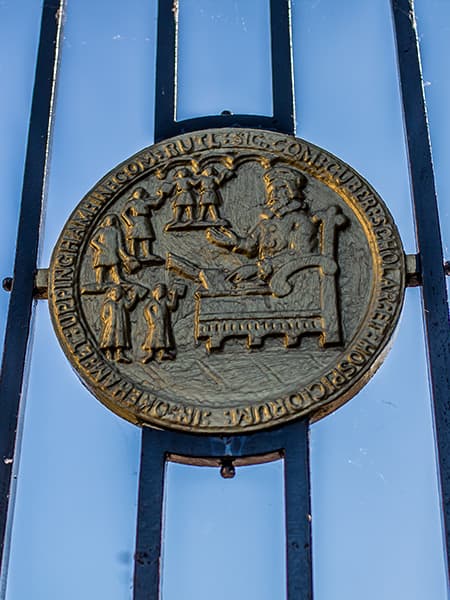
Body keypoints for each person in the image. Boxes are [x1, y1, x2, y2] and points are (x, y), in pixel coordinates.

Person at [121, 187, 163, 262]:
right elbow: (123, 213)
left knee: (147, 237)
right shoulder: (131, 202)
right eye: (139, 192)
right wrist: (129, 221)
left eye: (141, 192)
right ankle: (133, 254)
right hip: (135, 220)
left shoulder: (145, 201)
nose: (140, 194)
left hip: (144, 220)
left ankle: (147, 254)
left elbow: (156, 203)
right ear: (135, 193)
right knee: (133, 238)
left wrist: (162, 195)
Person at [141, 283, 179, 362]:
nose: (161, 292)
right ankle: (150, 353)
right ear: (154, 292)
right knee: (152, 338)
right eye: (160, 290)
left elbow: (172, 306)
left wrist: (174, 295)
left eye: (163, 291)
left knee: (164, 336)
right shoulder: (152, 302)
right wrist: (152, 319)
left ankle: (163, 352)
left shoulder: (164, 301)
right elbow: (147, 310)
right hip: (154, 324)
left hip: (163, 323)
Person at [99, 285, 136, 363]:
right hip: (111, 324)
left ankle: (120, 353)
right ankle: (108, 353)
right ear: (111, 293)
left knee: (120, 337)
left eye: (119, 292)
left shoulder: (122, 301)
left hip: (121, 323)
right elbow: (104, 314)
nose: (117, 294)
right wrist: (108, 321)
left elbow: (129, 305)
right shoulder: (108, 303)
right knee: (110, 337)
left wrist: (134, 297)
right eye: (115, 292)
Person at [90, 214, 127, 285]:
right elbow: (93, 241)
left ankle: (118, 280)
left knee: (115, 266)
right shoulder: (101, 230)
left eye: (113, 220)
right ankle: (100, 282)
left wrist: (125, 256)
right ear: (106, 221)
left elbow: (120, 245)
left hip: (112, 251)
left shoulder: (117, 231)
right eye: (109, 220)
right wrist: (101, 247)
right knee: (101, 267)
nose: (111, 221)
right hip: (102, 252)